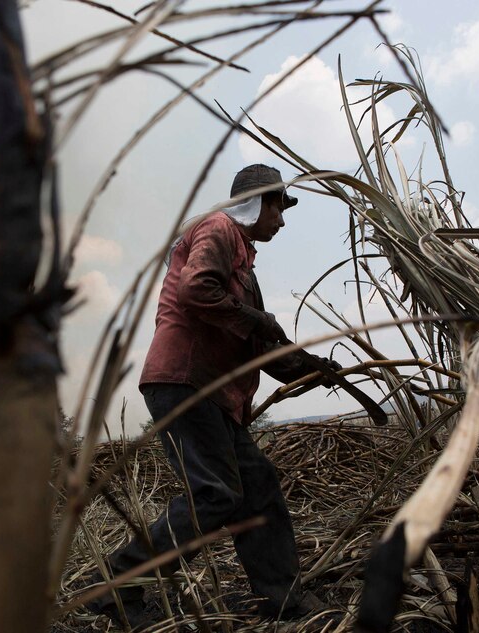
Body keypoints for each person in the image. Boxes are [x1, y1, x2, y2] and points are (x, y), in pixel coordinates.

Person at [88, 164, 338, 629]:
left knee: (257, 485)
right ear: (258, 202)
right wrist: (259, 322)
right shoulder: (218, 227)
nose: (281, 221)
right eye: (278, 208)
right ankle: (118, 586)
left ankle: (280, 598)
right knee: (216, 493)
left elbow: (260, 347)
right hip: (184, 383)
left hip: (214, 395)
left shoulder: (246, 267)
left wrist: (310, 367)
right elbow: (196, 288)